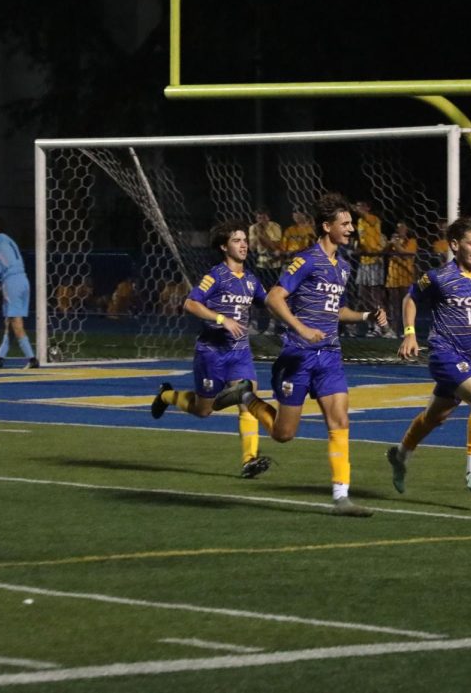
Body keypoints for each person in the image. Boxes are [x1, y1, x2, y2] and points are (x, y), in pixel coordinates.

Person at [214, 195, 388, 516]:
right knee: (284, 435)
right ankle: (246, 396)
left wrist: (366, 316)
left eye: (352, 223)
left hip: (330, 355)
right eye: (345, 223)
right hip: (298, 355)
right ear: (327, 226)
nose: (351, 229)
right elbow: (275, 298)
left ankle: (341, 497)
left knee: (340, 421)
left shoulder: (344, 266)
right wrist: (301, 327)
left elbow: (336, 310)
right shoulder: (305, 260)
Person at [387, 215, 471, 494]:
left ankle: (400, 453)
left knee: (435, 417)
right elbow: (411, 298)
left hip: (469, 357)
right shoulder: (437, 277)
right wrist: (410, 332)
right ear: (455, 245)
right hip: (443, 354)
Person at [150, 222, 272, 479]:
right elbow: (191, 303)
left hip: (239, 353)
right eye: (237, 240)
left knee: (247, 398)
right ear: (223, 246)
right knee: (203, 410)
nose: (243, 244)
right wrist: (221, 319)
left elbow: (270, 301)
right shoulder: (215, 276)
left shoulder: (251, 280)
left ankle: (249, 460)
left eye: (244, 240)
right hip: (211, 353)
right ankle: (166, 395)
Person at [0, 214, 37, 368]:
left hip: (11, 283)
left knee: (16, 323)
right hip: (23, 281)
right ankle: (0, 357)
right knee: (9, 321)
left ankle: (32, 359)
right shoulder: (9, 239)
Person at [353, 199, 389, 336]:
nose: (358, 209)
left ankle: (382, 326)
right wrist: (358, 248)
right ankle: (372, 325)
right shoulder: (360, 223)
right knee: (363, 294)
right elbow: (363, 240)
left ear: (367, 208)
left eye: (360, 206)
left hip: (375, 260)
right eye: (357, 206)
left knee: (376, 295)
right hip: (364, 261)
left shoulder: (373, 219)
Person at [248, 208, 283, 334]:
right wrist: (257, 237)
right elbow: (252, 248)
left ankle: (276, 325)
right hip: (261, 264)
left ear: (268, 217)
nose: (261, 221)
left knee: (274, 296)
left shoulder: (275, 227)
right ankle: (260, 325)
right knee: (259, 295)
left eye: (263, 217)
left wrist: (262, 235)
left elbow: (275, 247)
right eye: (258, 218)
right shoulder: (253, 228)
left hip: (275, 264)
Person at [384, 221, 418, 336]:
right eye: (399, 228)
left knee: (406, 306)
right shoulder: (394, 241)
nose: (401, 230)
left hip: (406, 277)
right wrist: (389, 243)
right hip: (393, 277)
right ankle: (393, 330)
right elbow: (383, 252)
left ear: (407, 229)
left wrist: (395, 244)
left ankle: (407, 330)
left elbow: (406, 255)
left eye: (403, 227)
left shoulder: (412, 241)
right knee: (393, 306)